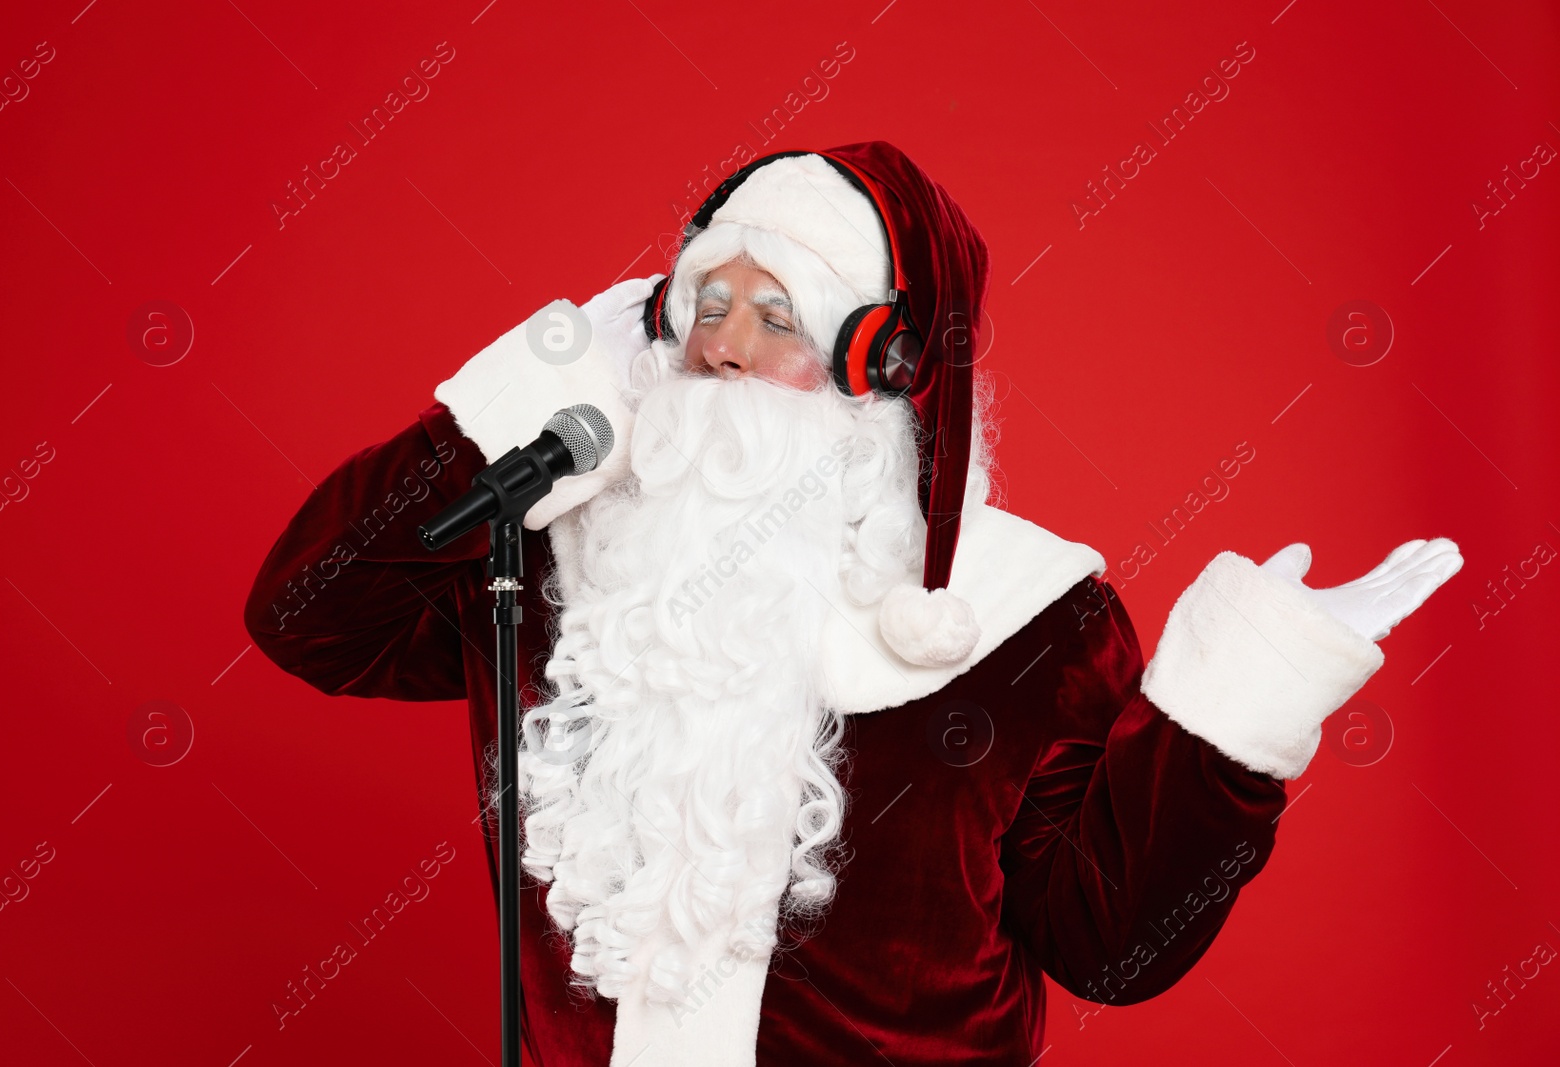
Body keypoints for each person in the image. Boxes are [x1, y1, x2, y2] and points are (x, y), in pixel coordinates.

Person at [244, 141, 1462, 1066]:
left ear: (881, 363)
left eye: (776, 315)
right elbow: (311, 614)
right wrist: (527, 403)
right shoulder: (565, 570)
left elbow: (1111, 944)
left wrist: (1236, 705)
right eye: (699, 303)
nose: (721, 347)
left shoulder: (1028, 614)